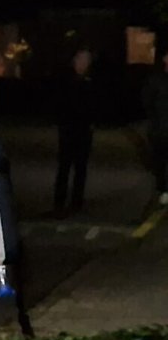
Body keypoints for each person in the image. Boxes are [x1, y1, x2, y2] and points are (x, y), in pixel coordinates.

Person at [52, 48, 100, 217]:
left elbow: (95, 102)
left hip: (84, 129)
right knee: (64, 166)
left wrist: (92, 121)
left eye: (87, 60)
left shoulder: (91, 80)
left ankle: (76, 202)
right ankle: (59, 202)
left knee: (81, 167)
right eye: (82, 60)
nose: (84, 63)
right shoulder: (66, 79)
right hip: (68, 128)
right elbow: (59, 101)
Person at [141, 48, 168, 207]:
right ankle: (163, 189)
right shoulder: (156, 80)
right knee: (160, 162)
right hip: (160, 129)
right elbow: (147, 102)